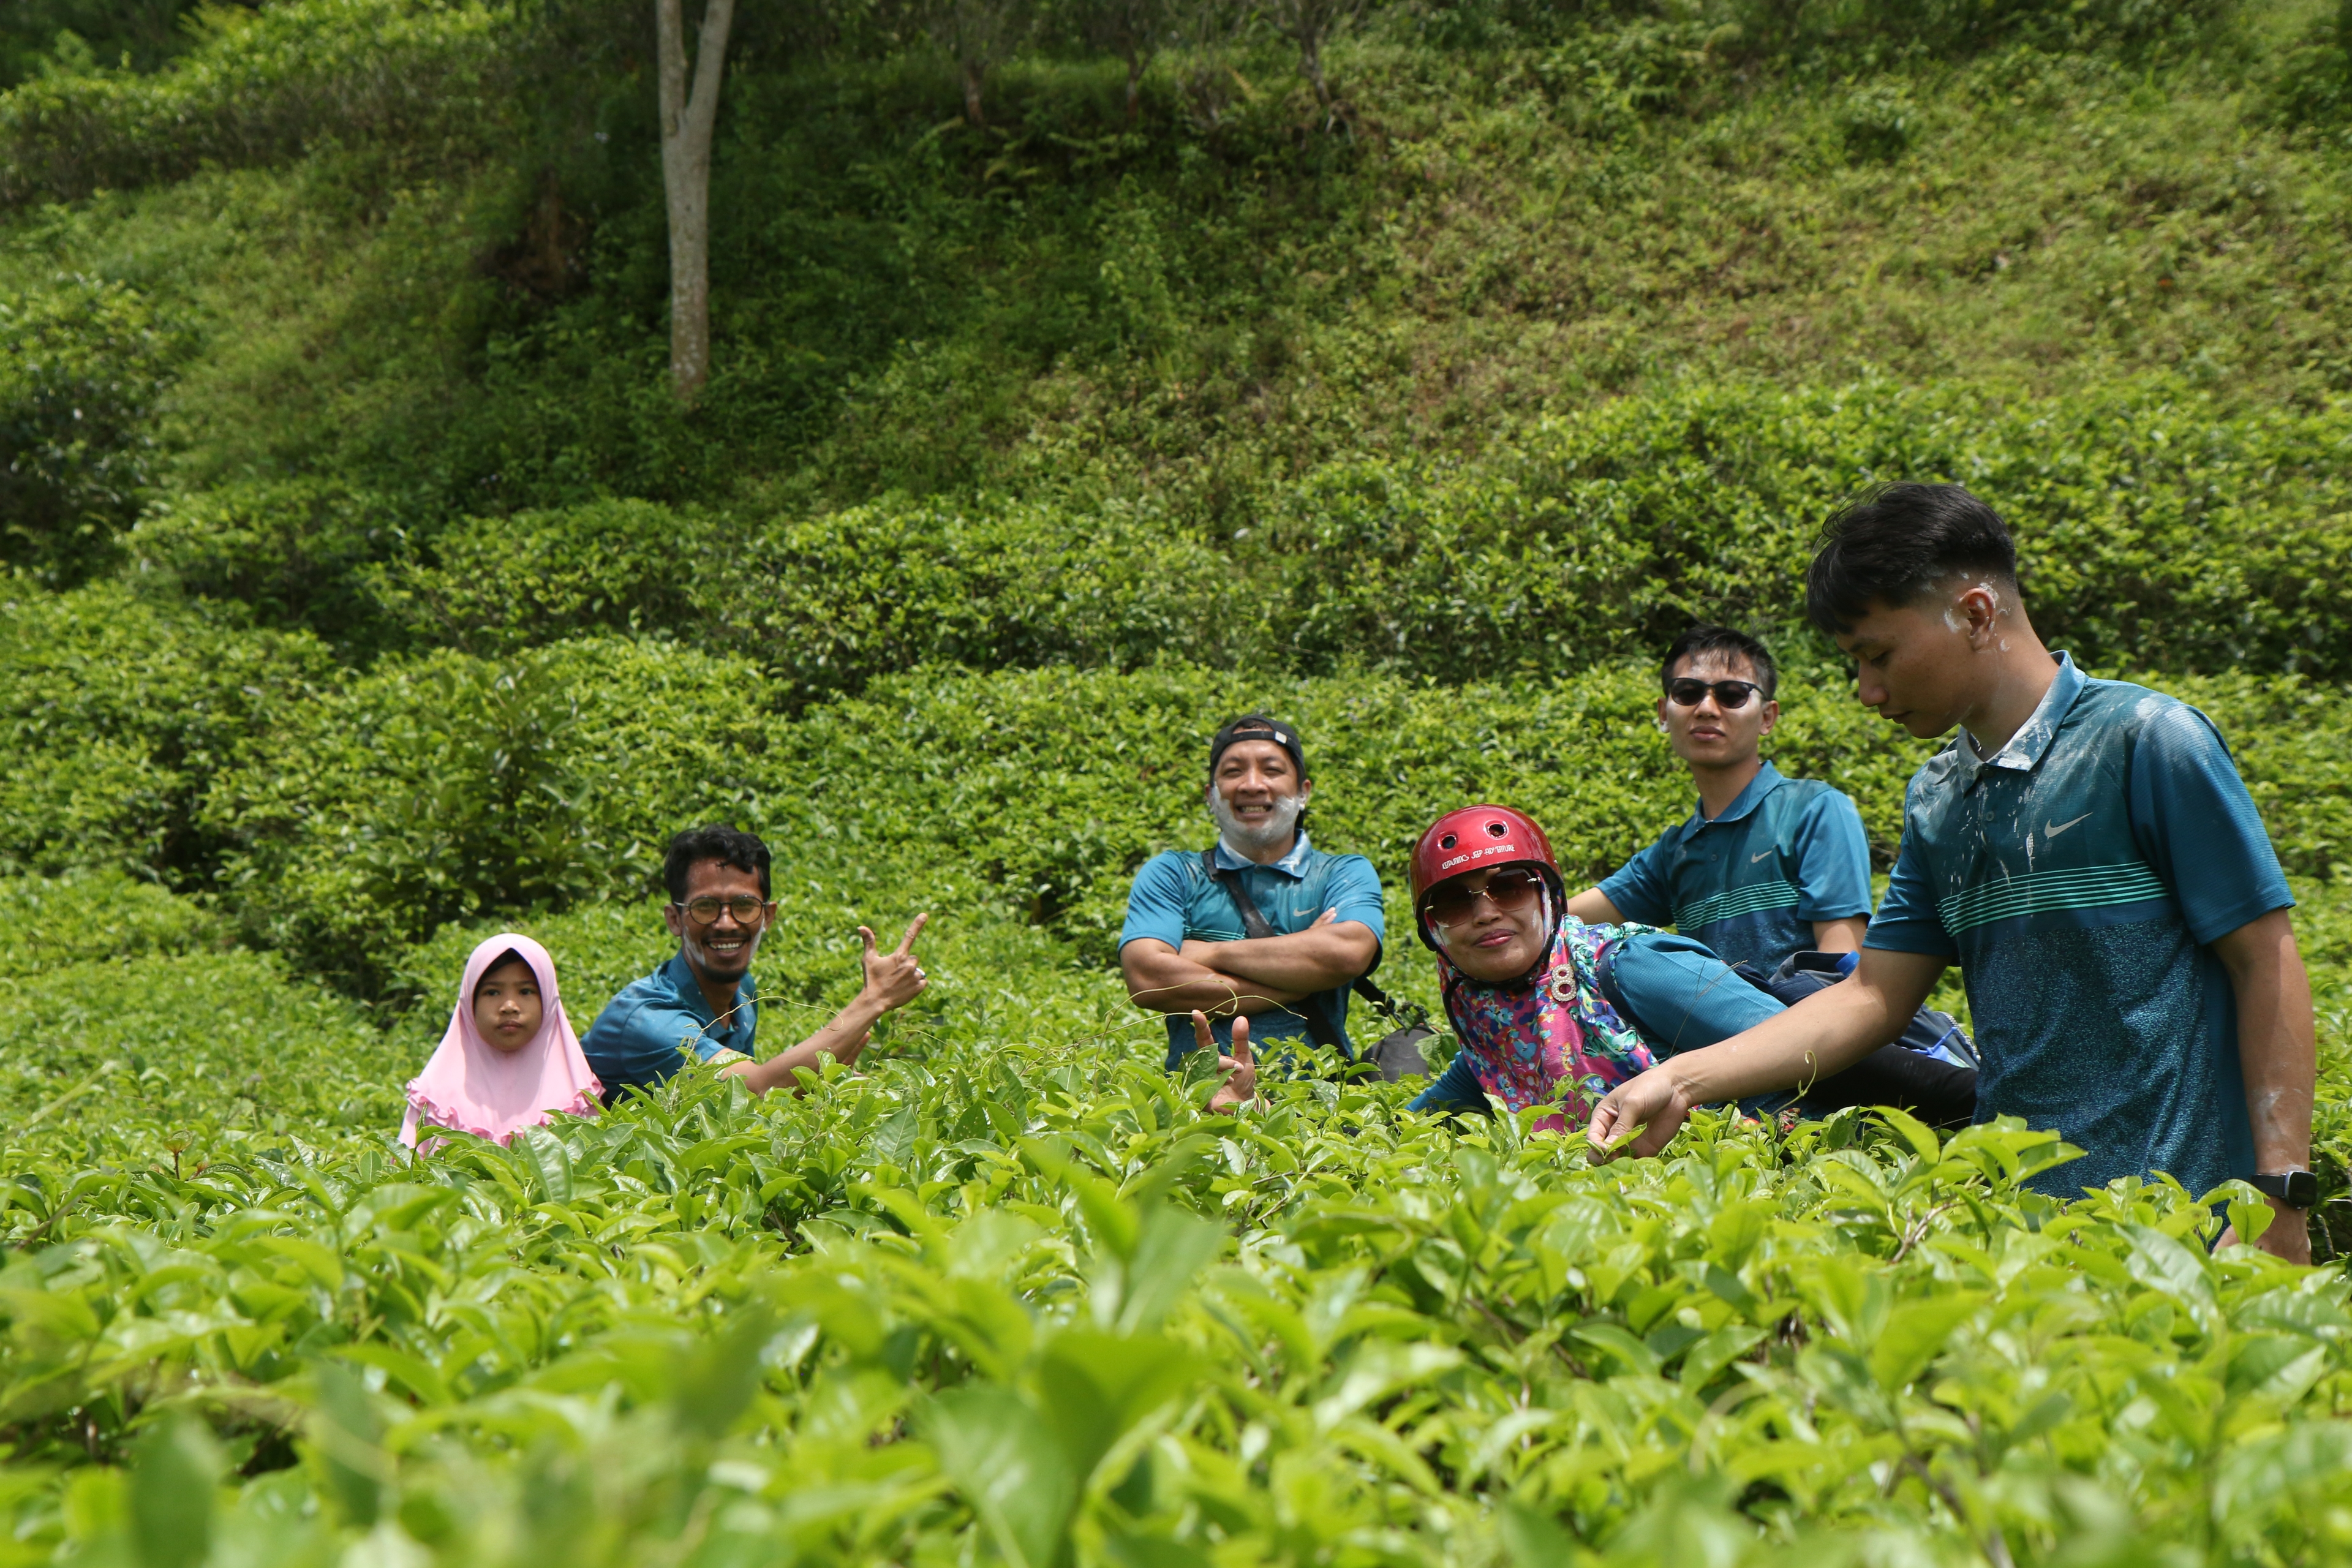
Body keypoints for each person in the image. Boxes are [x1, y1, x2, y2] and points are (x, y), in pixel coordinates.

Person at [1587, 483, 2316, 1264]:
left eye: (1879, 655)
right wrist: (1684, 1079)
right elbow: (1872, 996)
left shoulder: (2146, 742)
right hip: (2019, 1236)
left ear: (1974, 613)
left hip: (2185, 1226)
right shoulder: (1939, 798)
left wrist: (2278, 1194)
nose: (1868, 692)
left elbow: (2264, 959)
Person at [1402, 805, 1971, 1128]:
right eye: (1455, 902)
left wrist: (1975, 1102)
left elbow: (1826, 1048)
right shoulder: (1489, 1025)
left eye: (1508, 887)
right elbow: (1430, 1113)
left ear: (1550, 896)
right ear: (1434, 930)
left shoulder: (1628, 968)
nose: (1485, 912)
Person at [1566, 623, 1872, 970]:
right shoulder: (1672, 856)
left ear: (1767, 717)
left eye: (1732, 695)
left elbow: (1843, 969)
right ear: (1664, 713)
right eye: (1687, 692)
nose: (1707, 708)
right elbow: (1557, 920)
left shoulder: (1814, 811)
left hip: (1811, 1019)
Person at [582, 824, 932, 1101]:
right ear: (675, 919)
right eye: (705, 907)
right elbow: (754, 1093)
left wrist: (825, 1083)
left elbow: (744, 1106)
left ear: (768, 916)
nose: (726, 923)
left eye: (744, 905)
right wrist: (874, 1000)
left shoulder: (743, 994)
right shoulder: (648, 1020)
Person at [1119, 716, 1385, 1073]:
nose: (1252, 784)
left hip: (1322, 1112)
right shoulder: (1173, 874)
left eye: (1272, 770)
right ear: (1211, 796)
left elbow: (1345, 954)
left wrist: (1205, 952)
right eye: (1233, 772)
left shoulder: (1342, 873)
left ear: (1303, 792)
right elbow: (1148, 977)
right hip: (1196, 1104)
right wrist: (1294, 984)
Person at [401, 933, 602, 1147]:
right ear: (470, 1002)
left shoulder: (578, 1097)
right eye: (493, 992)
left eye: (526, 991)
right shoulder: (434, 1101)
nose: (509, 1006)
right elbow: (407, 1174)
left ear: (548, 1001)